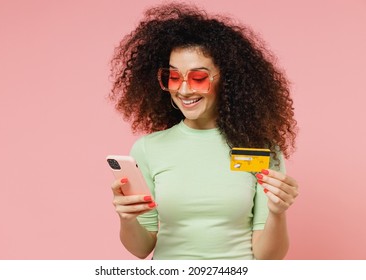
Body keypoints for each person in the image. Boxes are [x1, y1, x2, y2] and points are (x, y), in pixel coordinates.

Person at [108, 2, 299, 260]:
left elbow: (268, 257)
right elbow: (141, 248)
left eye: (198, 78)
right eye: (174, 77)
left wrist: (277, 213)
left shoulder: (260, 149)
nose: (184, 90)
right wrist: (127, 218)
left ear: (227, 79)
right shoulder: (148, 149)